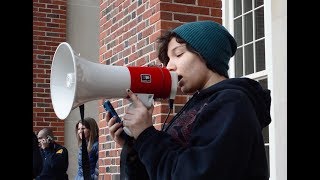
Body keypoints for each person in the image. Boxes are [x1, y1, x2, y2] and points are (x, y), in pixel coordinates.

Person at [107, 20, 271, 180]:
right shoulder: (201, 104)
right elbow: (162, 171)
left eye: (178, 54)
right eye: (167, 60)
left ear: (206, 54)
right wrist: (134, 145)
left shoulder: (232, 103)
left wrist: (146, 135)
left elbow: (196, 173)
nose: (168, 67)